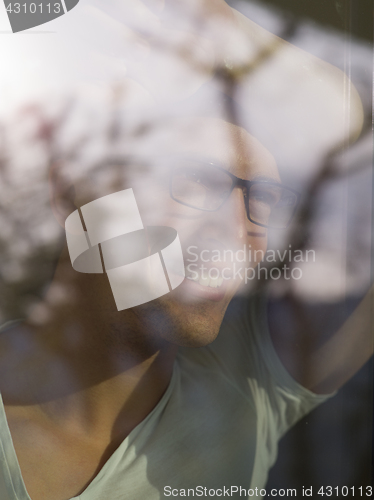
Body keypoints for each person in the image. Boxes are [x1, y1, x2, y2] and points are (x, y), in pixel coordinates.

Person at [0, 1, 371, 500]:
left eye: (262, 201)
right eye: (199, 180)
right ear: (77, 189)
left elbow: (350, 118)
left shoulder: (249, 388)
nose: (240, 232)